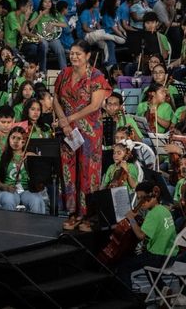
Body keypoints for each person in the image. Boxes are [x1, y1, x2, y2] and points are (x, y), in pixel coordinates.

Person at [54, 41, 112, 231]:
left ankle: (89, 215)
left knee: (88, 172)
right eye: (72, 53)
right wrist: (64, 121)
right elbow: (55, 98)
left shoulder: (96, 76)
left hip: (89, 131)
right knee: (68, 170)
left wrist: (69, 118)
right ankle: (73, 213)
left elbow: (94, 106)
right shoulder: (64, 74)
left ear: (87, 56)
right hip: (68, 131)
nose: (74, 56)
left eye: (78, 53)